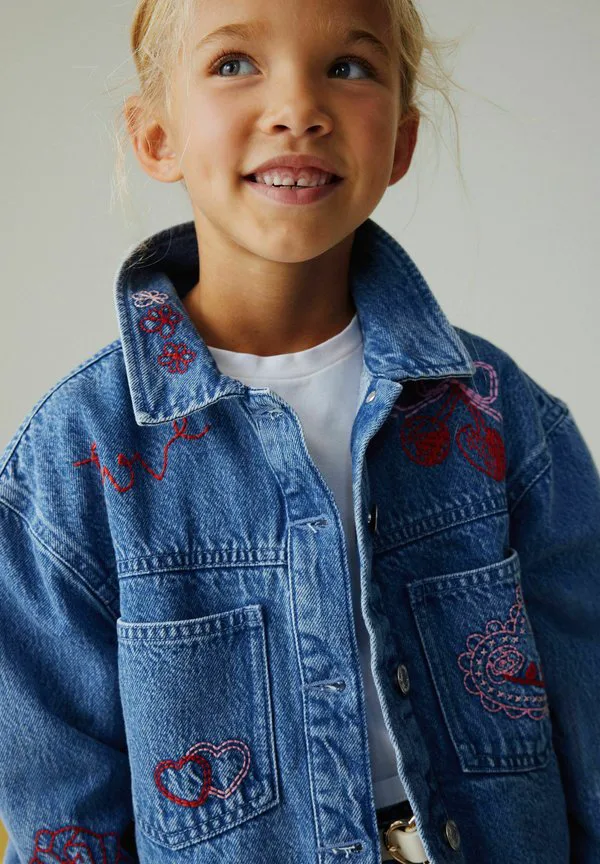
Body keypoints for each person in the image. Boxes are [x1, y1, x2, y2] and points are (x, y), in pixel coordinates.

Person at [0, 0, 598, 861]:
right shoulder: (71, 466)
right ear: (158, 137)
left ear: (400, 142)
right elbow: (64, 813)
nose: (298, 108)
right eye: (235, 64)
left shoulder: (498, 412)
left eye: (348, 68)